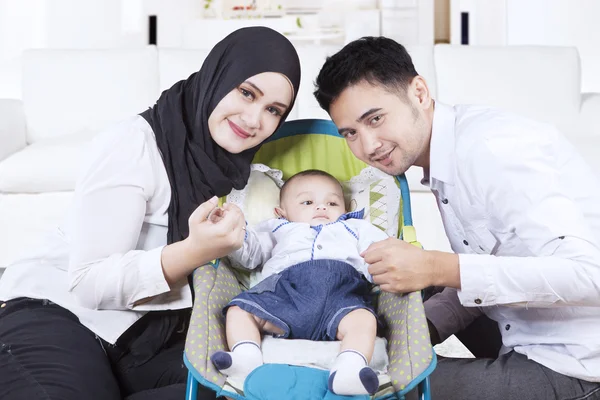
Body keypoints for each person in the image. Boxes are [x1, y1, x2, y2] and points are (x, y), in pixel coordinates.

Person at [0, 27, 300, 400]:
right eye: (246, 92)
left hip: (145, 341)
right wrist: (195, 250)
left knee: (236, 390)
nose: (255, 119)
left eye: (273, 110)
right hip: (61, 314)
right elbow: (90, 282)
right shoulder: (135, 144)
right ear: (217, 77)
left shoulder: (237, 173)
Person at [312, 36, 600, 400]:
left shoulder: (490, 150)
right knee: (407, 292)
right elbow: (494, 265)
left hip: (578, 364)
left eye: (376, 119)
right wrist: (415, 330)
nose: (368, 146)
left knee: (377, 389)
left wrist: (436, 266)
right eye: (351, 133)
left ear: (419, 92)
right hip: (524, 330)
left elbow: (591, 275)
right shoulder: (444, 156)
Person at [209, 169, 389, 396]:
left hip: (341, 296)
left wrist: (386, 267)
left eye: (332, 203)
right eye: (308, 202)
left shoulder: (355, 228)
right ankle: (246, 356)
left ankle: (349, 369)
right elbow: (249, 255)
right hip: (285, 296)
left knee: (364, 320)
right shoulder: (278, 228)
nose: (322, 207)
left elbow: (383, 253)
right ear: (281, 213)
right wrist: (230, 232)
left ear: (345, 209)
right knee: (239, 309)